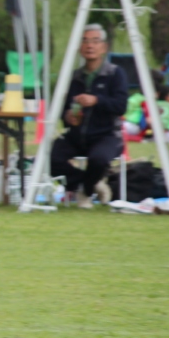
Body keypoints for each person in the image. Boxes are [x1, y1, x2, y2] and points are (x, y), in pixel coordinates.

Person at [50, 24, 129, 208]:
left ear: (104, 47)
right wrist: (68, 116)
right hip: (77, 135)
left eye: (95, 41)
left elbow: (121, 106)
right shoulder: (74, 77)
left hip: (106, 135)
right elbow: (63, 108)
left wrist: (96, 100)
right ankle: (90, 183)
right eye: (85, 41)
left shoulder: (115, 74)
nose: (89, 45)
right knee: (48, 157)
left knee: (98, 159)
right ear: (79, 47)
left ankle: (85, 192)